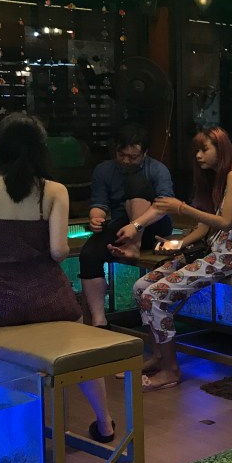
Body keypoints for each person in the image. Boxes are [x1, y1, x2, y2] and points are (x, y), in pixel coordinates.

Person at [0, 114, 116, 442]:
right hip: (48, 299)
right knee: (80, 344)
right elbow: (58, 252)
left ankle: (13, 432)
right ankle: (105, 423)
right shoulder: (54, 190)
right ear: (42, 147)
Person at [131, 128, 232, 391]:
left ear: (221, 149)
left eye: (204, 149)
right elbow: (205, 227)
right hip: (212, 250)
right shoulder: (217, 179)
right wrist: (177, 245)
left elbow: (225, 221)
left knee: (155, 295)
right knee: (141, 287)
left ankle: (170, 370)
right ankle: (159, 356)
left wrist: (181, 208)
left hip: (230, 255)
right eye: (196, 150)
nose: (198, 155)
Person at [78, 124, 174, 327]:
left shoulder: (157, 169)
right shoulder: (104, 170)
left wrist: (136, 225)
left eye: (133, 157)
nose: (126, 161)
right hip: (122, 225)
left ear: (145, 153)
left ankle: (133, 246)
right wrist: (96, 218)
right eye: (121, 155)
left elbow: (164, 206)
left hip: (153, 226)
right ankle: (99, 320)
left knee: (135, 182)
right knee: (88, 255)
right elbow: (99, 204)